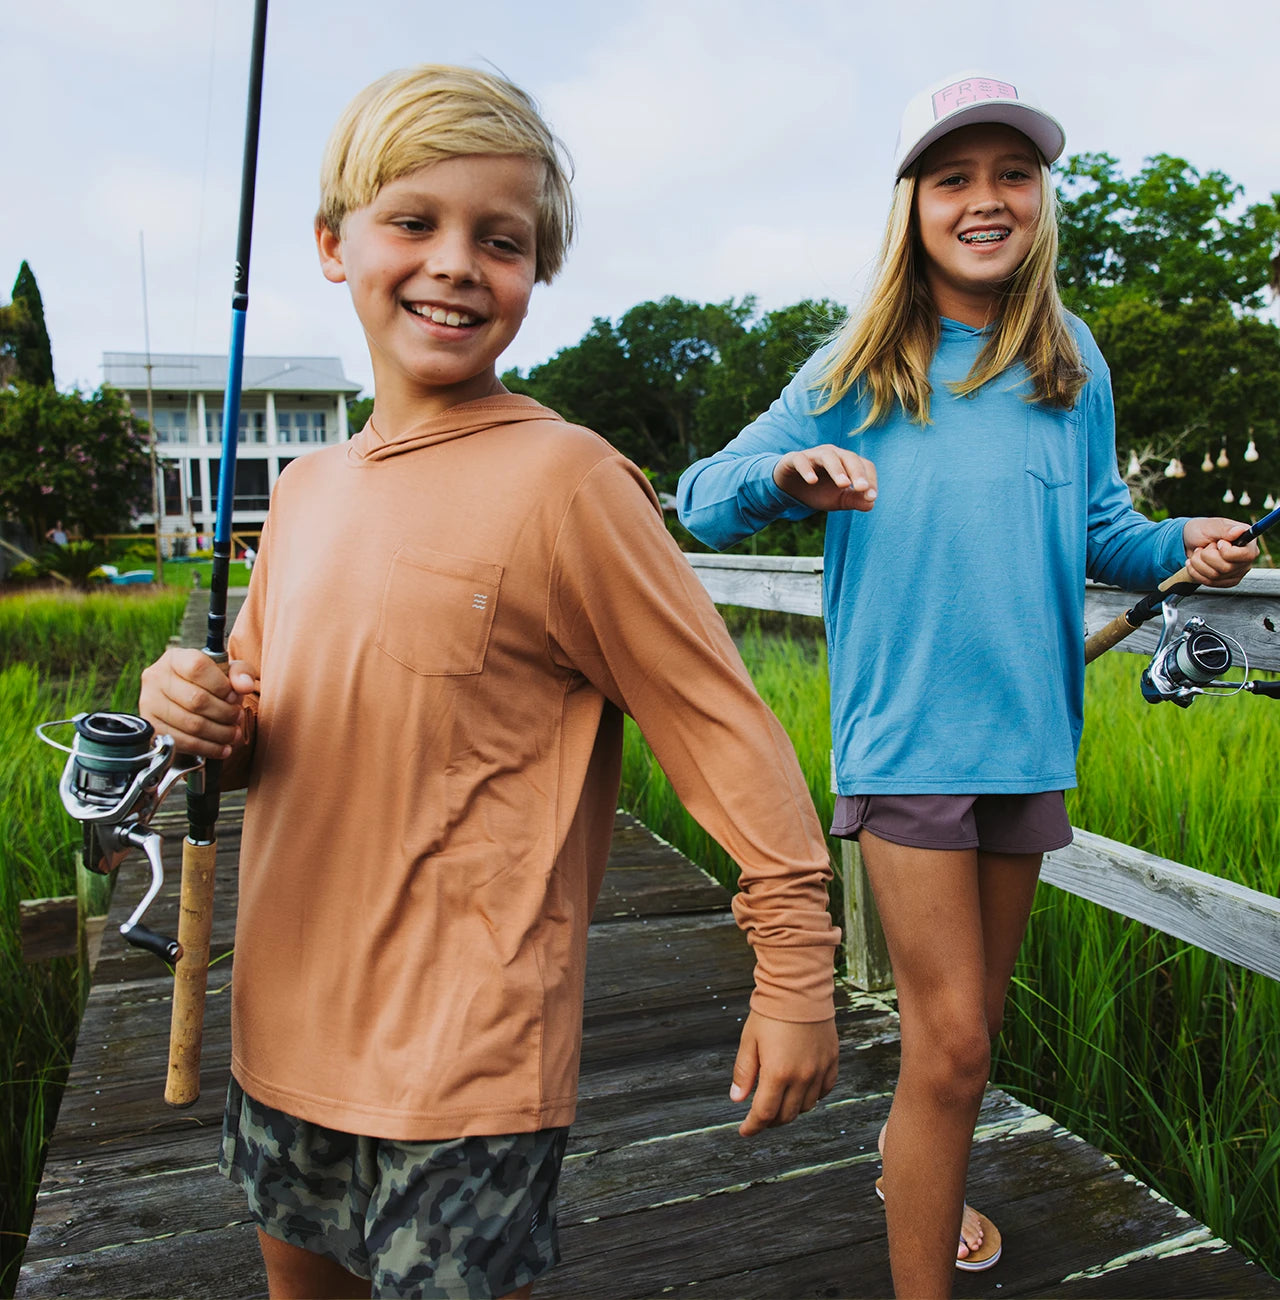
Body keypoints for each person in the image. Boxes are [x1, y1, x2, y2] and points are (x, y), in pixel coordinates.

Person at [138, 65, 840, 1300]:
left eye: (500, 240)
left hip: (466, 1063)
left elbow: (722, 729)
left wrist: (795, 972)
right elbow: (254, 731)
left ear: (534, 270)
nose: (456, 264)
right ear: (332, 244)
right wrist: (194, 712)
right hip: (282, 1032)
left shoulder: (571, 481)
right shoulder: (301, 494)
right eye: (413, 221)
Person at [676, 71, 1258, 1299]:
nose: (984, 199)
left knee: (964, 1046)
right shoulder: (859, 362)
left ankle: (921, 1177)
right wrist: (787, 478)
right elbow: (701, 496)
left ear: (1040, 196)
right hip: (907, 744)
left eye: (1010, 175)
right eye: (953, 178)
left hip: (1029, 737)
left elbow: (1105, 531)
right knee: (946, 1046)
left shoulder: (1068, 357)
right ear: (912, 203)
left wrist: (1182, 540)